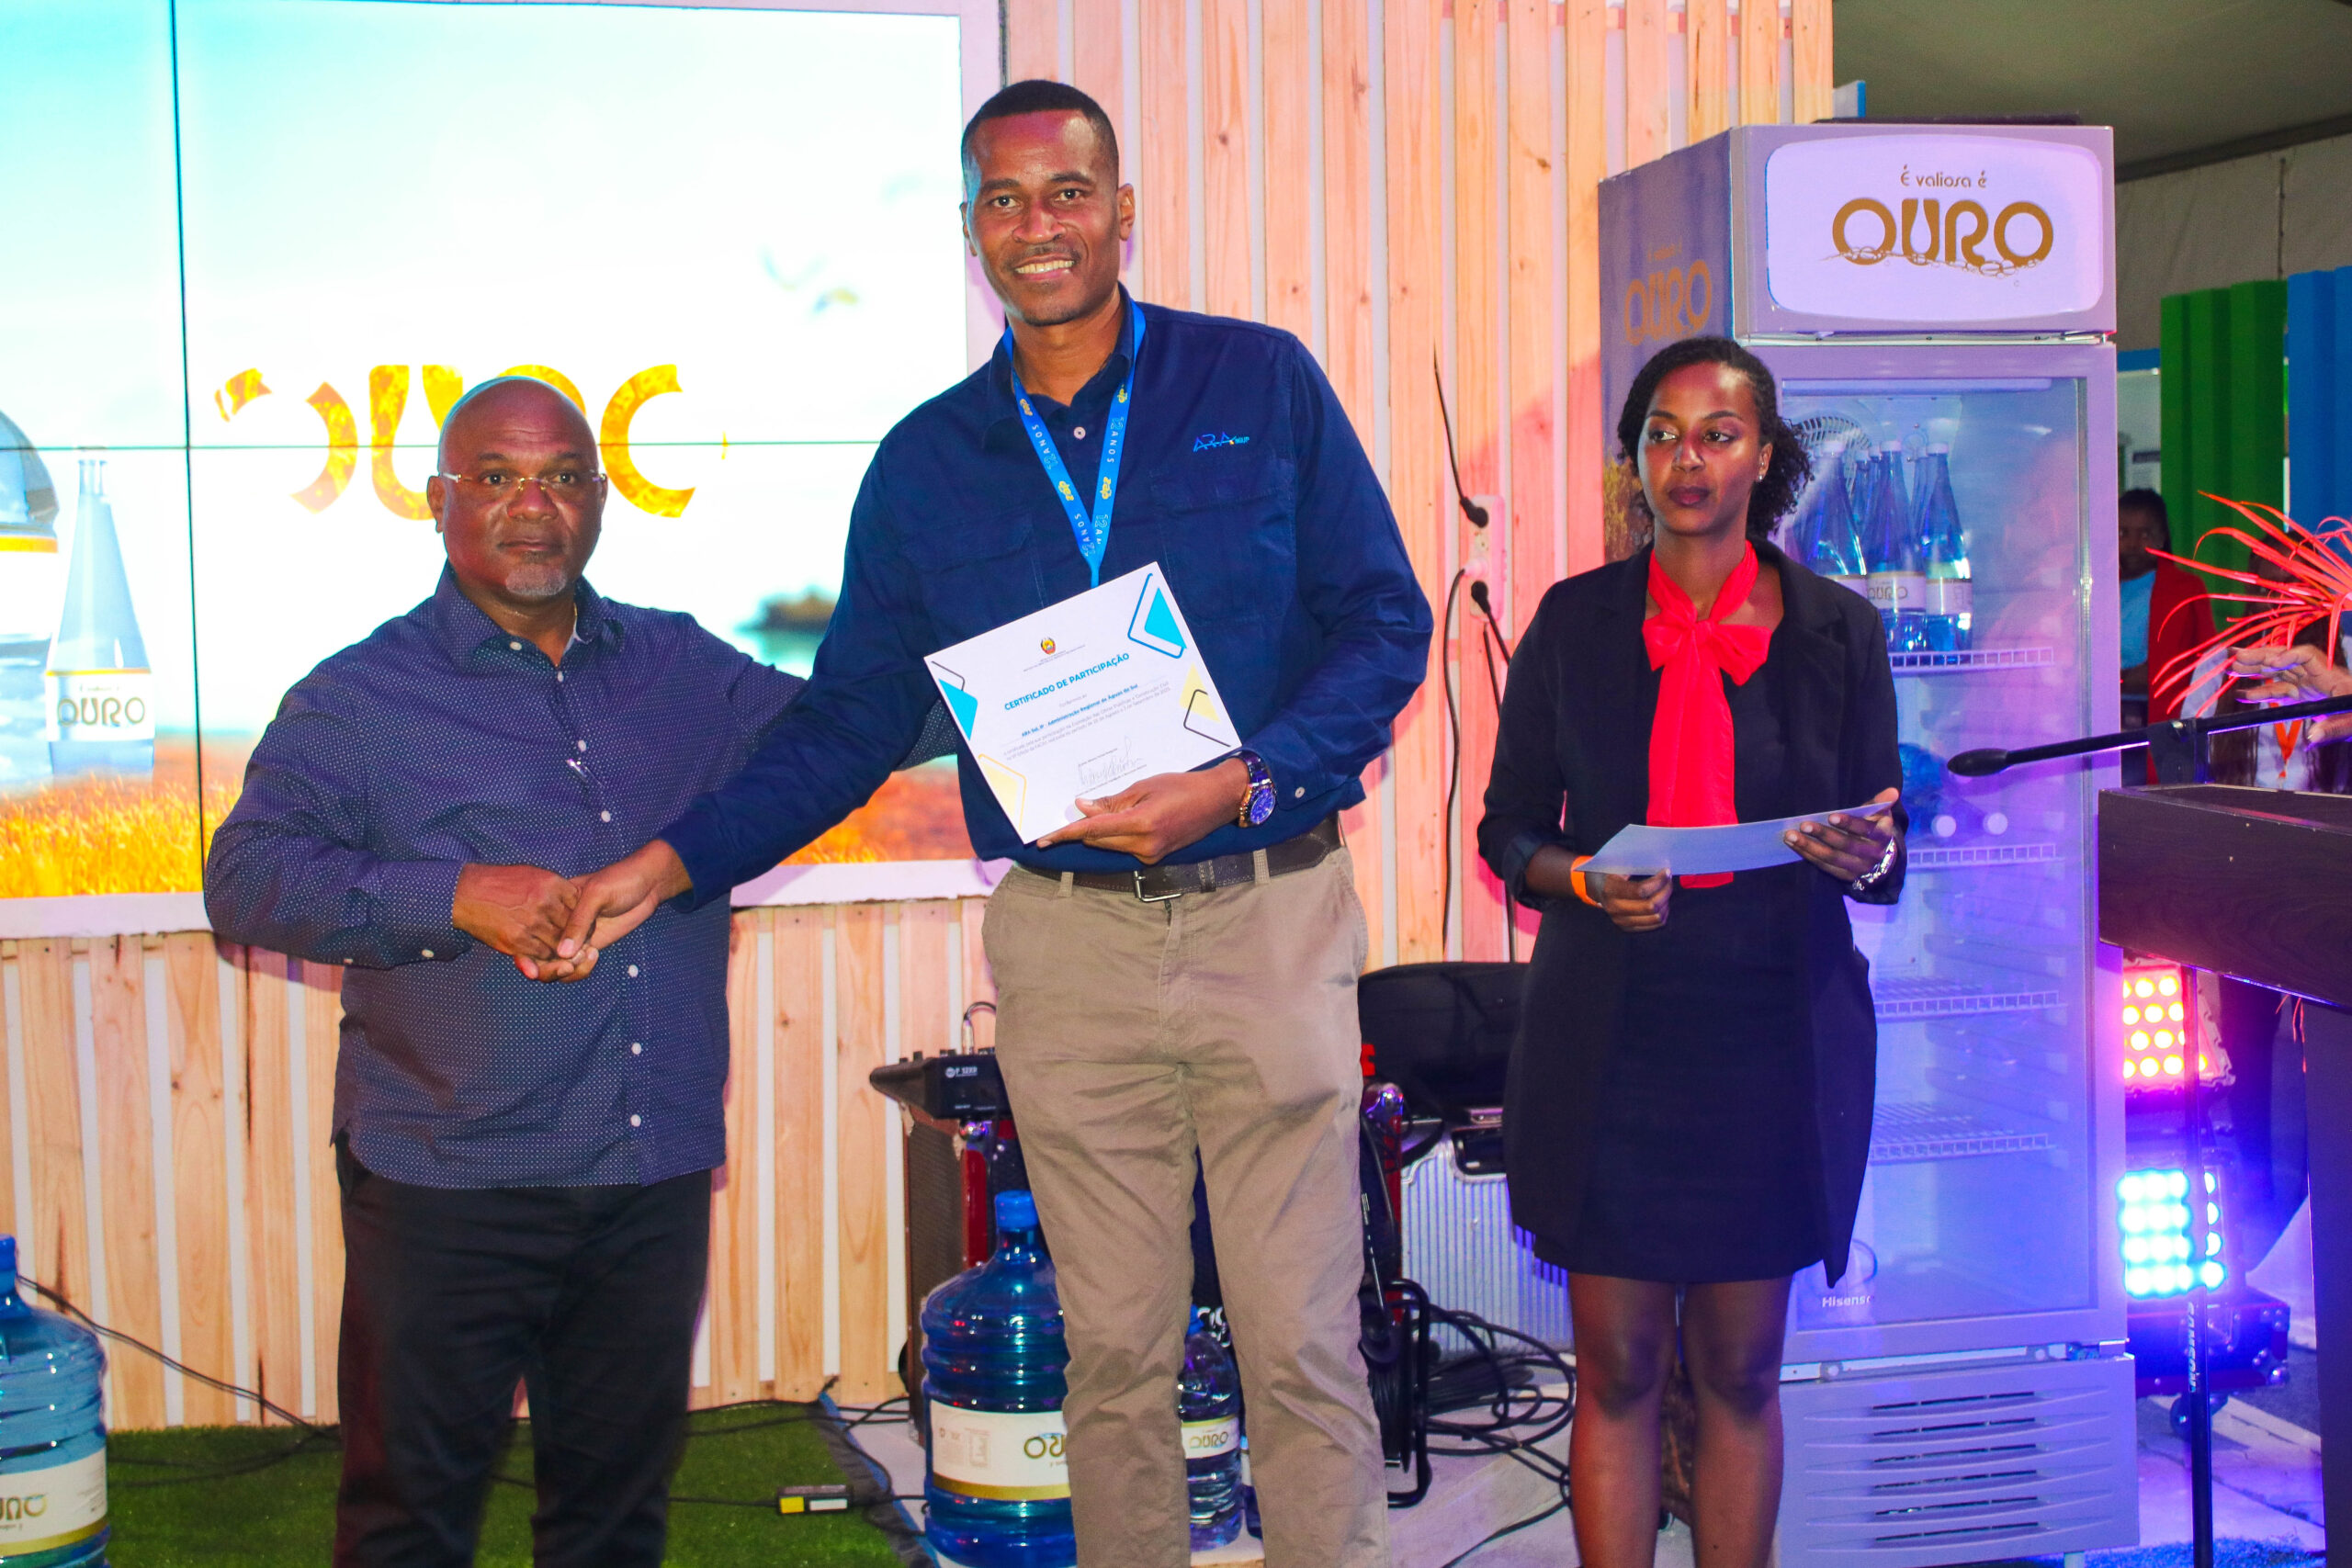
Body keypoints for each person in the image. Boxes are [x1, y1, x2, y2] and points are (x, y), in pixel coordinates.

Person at [554, 79, 1430, 1568]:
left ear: (1121, 209)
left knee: (1301, 1344)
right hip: (1068, 945)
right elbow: (851, 720)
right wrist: (675, 857)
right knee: (1114, 1354)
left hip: (1269, 911)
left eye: (1069, 191)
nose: (1041, 225)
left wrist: (1243, 777)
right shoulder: (925, 464)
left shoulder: (1259, 382)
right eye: (1007, 200)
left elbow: (1384, 624)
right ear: (972, 233)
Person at [203, 377, 810, 1568]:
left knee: (614, 1522)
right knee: (409, 1526)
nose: (533, 506)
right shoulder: (358, 698)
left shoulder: (684, 667)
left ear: (601, 499)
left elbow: (851, 730)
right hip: (451, 1183)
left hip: (649, 1169)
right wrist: (453, 897)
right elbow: (248, 878)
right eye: (496, 478)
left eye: (562, 477)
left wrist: (1045, 665)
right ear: (437, 499)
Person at [1477, 336, 1903, 1568]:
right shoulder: (1574, 622)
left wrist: (1863, 850)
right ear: (1636, 461)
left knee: (1742, 1369)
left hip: (1771, 1039)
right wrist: (1583, 879)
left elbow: (1884, 839)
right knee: (1615, 1368)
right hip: (1612, 1041)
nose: (1687, 459)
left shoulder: (1837, 630)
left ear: (1764, 457)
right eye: (1660, 435)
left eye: (1718, 434)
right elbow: (1509, 831)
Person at [2120, 488, 2215, 725]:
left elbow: (2209, 661)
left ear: (2161, 537)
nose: (2132, 544)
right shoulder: (2095, 588)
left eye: (2145, 534)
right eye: (2123, 533)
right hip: (2106, 708)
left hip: (2166, 715)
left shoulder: (2187, 588)